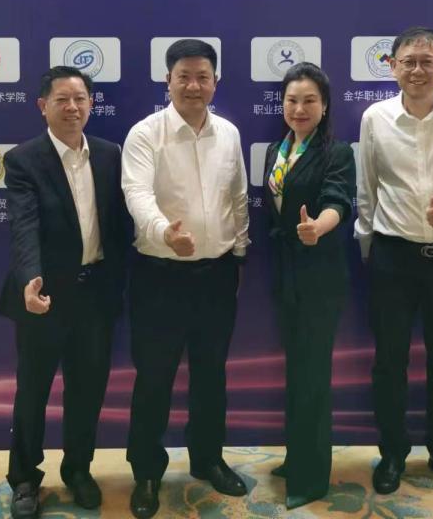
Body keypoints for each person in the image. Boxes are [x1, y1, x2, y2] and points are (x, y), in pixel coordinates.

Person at [121, 39, 250, 519]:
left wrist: (239, 252)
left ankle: (208, 459)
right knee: (154, 378)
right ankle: (146, 472)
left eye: (203, 77)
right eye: (184, 77)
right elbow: (135, 192)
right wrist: (163, 232)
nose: (193, 86)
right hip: (160, 276)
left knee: (211, 375)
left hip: (217, 275)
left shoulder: (229, 133)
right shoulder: (145, 134)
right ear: (168, 81)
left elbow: (238, 196)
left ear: (216, 81)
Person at [0, 66, 131, 519]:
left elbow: (120, 224)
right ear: (43, 106)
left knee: (87, 391)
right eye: (62, 100)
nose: (72, 108)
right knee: (32, 392)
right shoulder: (23, 160)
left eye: (80, 99)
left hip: (95, 296)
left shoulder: (110, 154)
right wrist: (29, 278)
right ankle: (24, 479)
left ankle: (78, 470)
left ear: (91, 104)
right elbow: (24, 226)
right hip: (43, 297)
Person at [355, 27, 433, 499]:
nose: (417, 70)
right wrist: (369, 246)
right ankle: (392, 453)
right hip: (393, 256)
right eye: (408, 61)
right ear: (392, 67)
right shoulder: (375, 117)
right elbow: (367, 187)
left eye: (427, 61)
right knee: (389, 363)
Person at [262, 62, 355, 510]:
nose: (299, 109)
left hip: (319, 278)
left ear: (325, 105)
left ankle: (313, 477)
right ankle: (296, 456)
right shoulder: (277, 150)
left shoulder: (337, 152)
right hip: (286, 276)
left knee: (313, 377)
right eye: (292, 100)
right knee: (296, 372)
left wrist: (319, 226)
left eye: (309, 101)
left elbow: (338, 200)